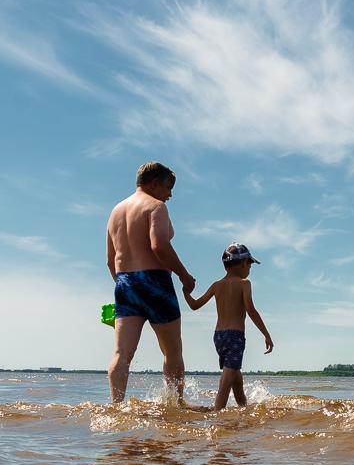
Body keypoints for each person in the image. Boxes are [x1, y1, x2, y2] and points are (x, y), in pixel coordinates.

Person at [105, 161, 195, 403]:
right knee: (172, 350)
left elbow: (110, 260)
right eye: (168, 187)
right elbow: (159, 246)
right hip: (155, 281)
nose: (170, 194)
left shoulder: (116, 211)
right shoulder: (155, 207)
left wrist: (124, 288)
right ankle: (175, 405)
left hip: (124, 283)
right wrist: (184, 276)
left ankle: (117, 407)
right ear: (154, 183)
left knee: (122, 353)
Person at [185, 243, 274, 409]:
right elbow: (251, 310)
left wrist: (185, 292)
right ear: (243, 264)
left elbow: (195, 305)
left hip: (218, 337)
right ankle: (216, 413)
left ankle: (243, 408)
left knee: (235, 378)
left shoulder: (216, 285)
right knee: (226, 381)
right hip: (235, 337)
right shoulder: (244, 283)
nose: (250, 268)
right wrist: (266, 334)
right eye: (250, 264)